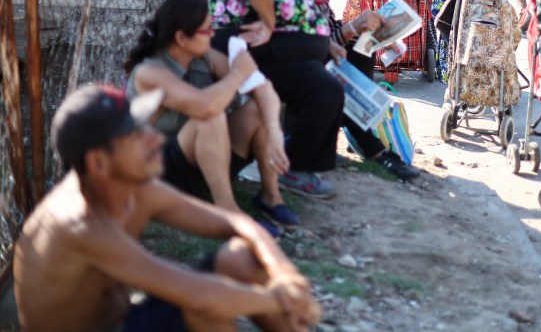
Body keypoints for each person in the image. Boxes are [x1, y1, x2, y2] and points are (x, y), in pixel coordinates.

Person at [13, 83, 320, 332]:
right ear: (98, 163)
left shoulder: (134, 188)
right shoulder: (80, 223)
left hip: (123, 319)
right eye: (135, 135)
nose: (156, 138)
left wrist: (285, 276)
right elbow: (199, 297)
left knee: (240, 259)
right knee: (204, 310)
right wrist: (280, 298)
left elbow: (235, 224)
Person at [207, 0, 344, 199]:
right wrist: (269, 24)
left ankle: (296, 160)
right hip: (242, 42)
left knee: (324, 87)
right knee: (324, 90)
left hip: (258, 43)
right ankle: (295, 169)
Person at [124, 0, 298, 231]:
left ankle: (270, 196)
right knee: (210, 116)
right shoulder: (149, 72)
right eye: (207, 30)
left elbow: (263, 87)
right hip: (158, 171)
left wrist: (274, 130)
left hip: (201, 159)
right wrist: (237, 74)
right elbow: (205, 106)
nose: (214, 34)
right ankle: (228, 213)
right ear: (182, 38)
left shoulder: (203, 58)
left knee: (257, 109)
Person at [277, 0, 421, 180]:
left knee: (360, 44)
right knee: (353, 44)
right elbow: (308, 47)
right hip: (297, 66)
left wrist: (368, 28)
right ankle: (372, 145)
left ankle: (365, 132)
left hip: (317, 55)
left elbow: (327, 28)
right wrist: (353, 28)